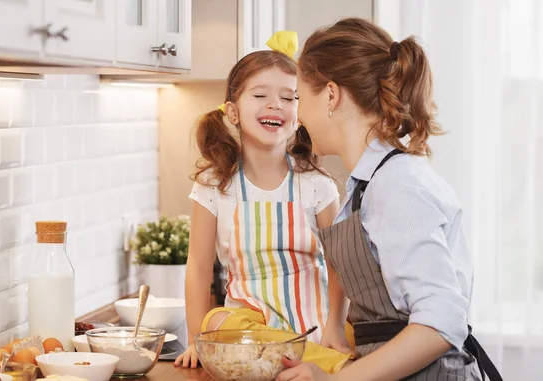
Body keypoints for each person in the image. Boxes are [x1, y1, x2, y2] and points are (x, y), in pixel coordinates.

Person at [277, 18, 503, 381]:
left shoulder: (397, 185)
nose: (297, 115)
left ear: (331, 95)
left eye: (300, 98)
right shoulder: (367, 185)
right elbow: (389, 327)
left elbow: (440, 321)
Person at [174, 31, 354, 374]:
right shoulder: (213, 185)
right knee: (217, 323)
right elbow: (198, 266)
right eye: (260, 95)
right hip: (248, 329)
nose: (275, 105)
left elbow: (338, 263)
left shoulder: (316, 185)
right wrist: (198, 340)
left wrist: (334, 324)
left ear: (299, 115)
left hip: (316, 321)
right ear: (233, 112)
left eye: (289, 98)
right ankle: (334, 368)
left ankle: (315, 359)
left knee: (348, 332)